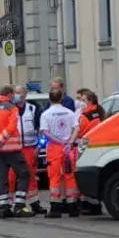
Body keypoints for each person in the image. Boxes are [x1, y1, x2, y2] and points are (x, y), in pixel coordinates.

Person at [0, 85, 33, 218]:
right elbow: (11, 127)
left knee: (1, 178)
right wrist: (0, 139)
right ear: (10, 95)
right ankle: (19, 206)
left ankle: (3, 208)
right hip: (12, 150)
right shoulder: (12, 108)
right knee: (24, 174)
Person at [40, 85, 81, 218]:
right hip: (69, 148)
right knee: (70, 176)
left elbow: (45, 132)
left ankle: (55, 208)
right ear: (62, 98)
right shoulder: (70, 113)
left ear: (50, 99)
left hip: (54, 148)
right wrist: (69, 141)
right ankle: (72, 207)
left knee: (55, 177)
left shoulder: (46, 114)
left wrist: (58, 141)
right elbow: (77, 128)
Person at [7, 84, 45, 214]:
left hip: (30, 148)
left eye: (20, 93)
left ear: (25, 95)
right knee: (12, 177)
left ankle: (34, 203)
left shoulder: (33, 109)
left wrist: (39, 147)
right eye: (16, 93)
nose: (18, 95)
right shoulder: (10, 110)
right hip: (14, 149)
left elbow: (41, 130)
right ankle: (10, 203)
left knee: (31, 176)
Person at [73, 88, 105, 216]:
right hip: (98, 145)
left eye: (83, 100)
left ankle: (90, 205)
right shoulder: (99, 111)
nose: (80, 102)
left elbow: (80, 131)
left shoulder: (85, 115)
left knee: (85, 174)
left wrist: (71, 140)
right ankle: (95, 204)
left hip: (86, 146)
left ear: (90, 101)